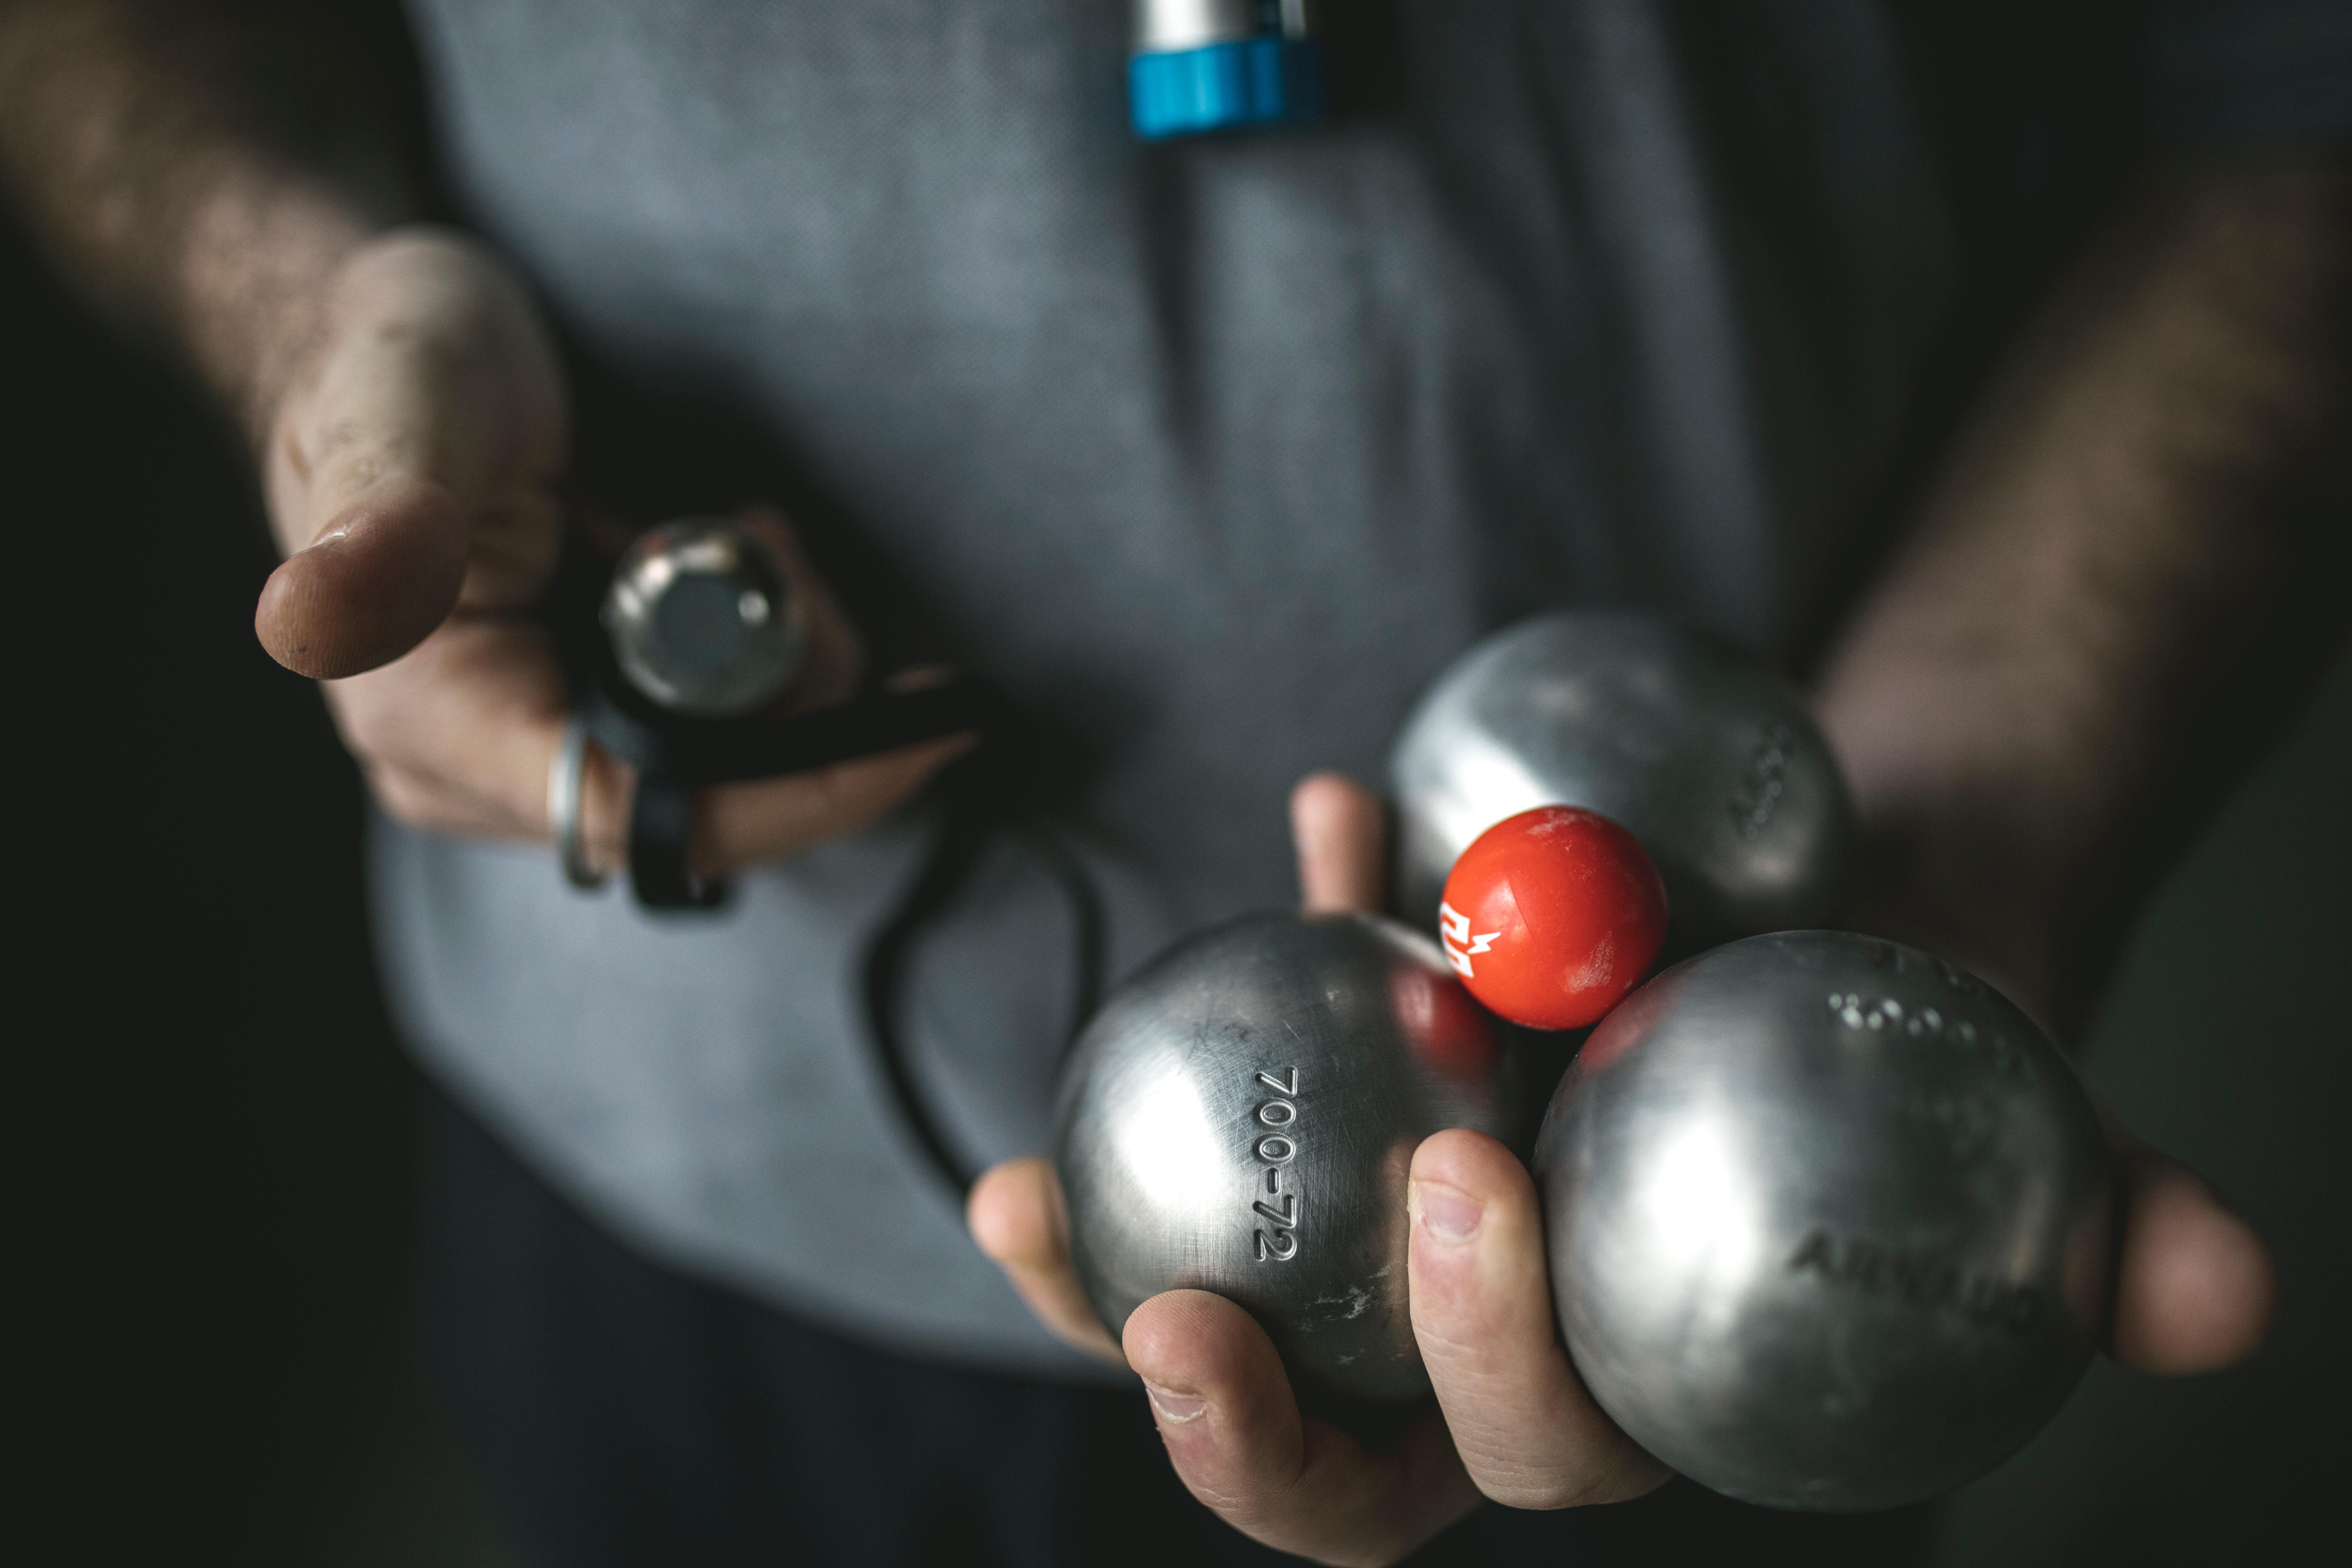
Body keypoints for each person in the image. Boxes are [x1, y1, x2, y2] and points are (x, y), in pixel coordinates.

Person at [2, 2, 2340, 1562]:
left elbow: (2283, 86)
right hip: (653, 1154)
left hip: (1749, 1247)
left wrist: (1987, 791)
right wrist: (299, 295)